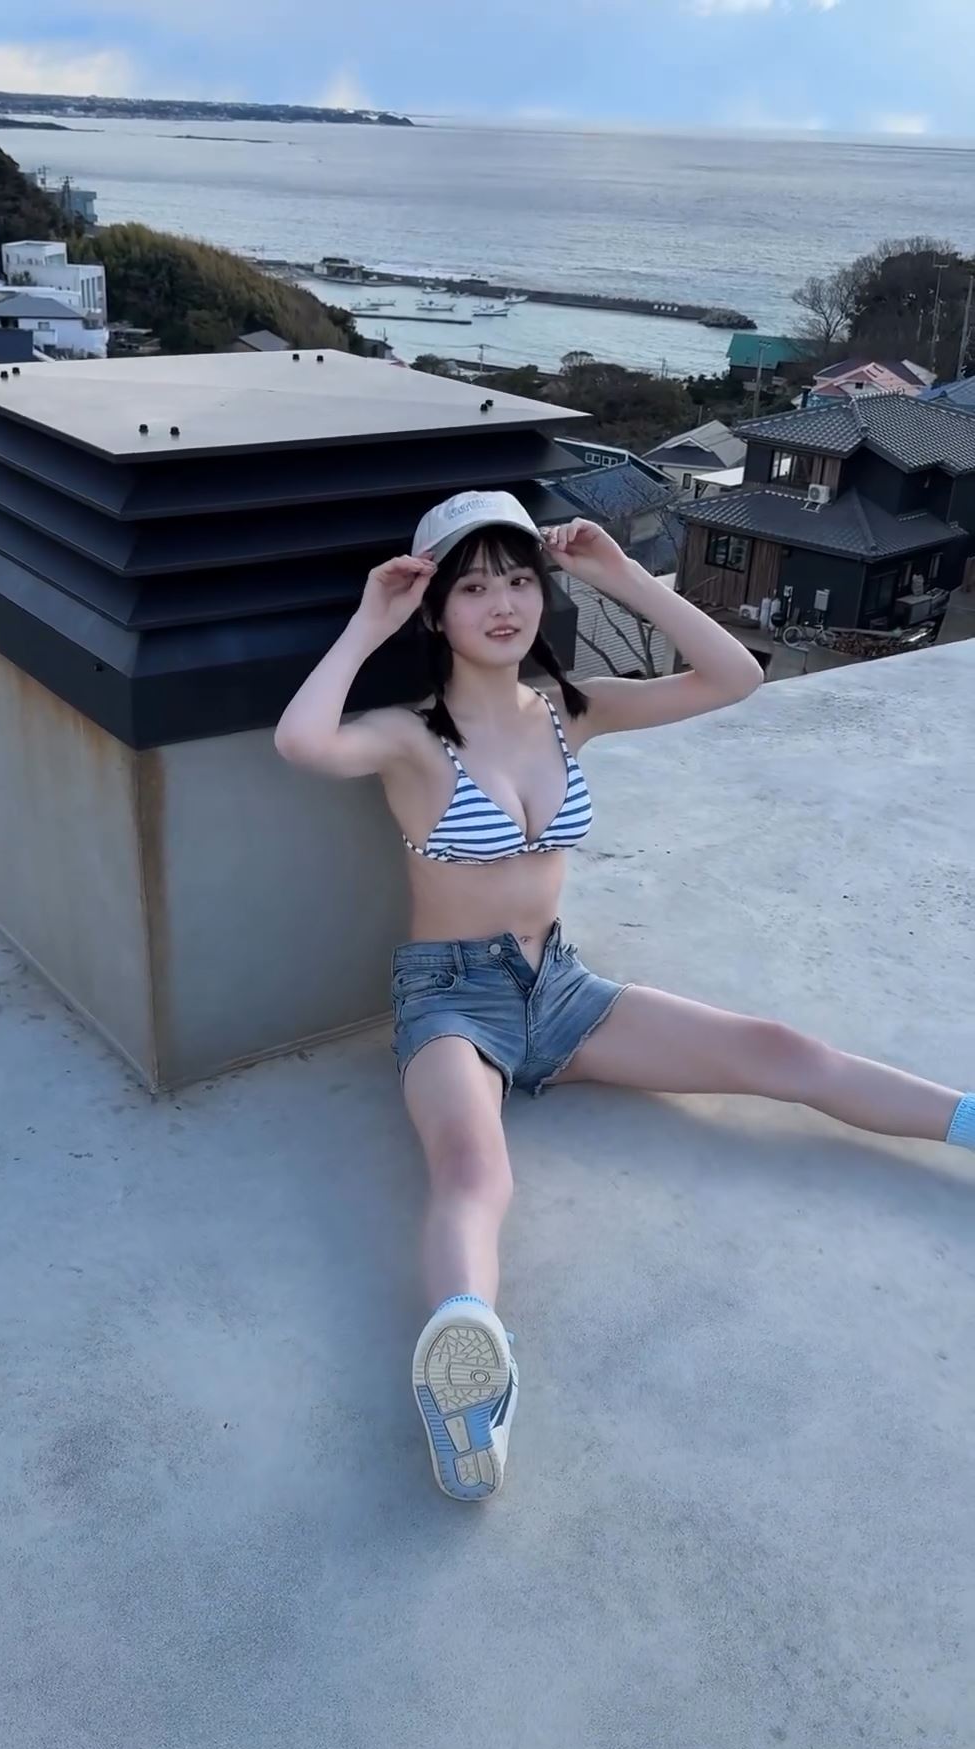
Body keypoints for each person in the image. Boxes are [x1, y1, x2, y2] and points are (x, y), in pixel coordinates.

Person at [275, 490, 975, 1503]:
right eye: (473, 588)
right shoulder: (410, 736)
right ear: (436, 610)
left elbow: (735, 676)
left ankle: (965, 1120)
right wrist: (369, 619)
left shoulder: (572, 708)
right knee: (473, 1167)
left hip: (561, 988)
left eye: (520, 580)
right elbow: (301, 742)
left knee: (779, 1051)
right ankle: (470, 1372)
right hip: (452, 1001)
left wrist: (620, 574)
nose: (504, 604)